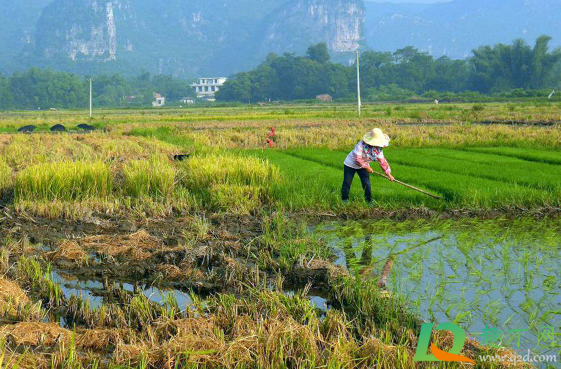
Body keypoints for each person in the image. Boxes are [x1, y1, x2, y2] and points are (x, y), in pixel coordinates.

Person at [342, 128, 395, 203]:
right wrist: (367, 167)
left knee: (366, 183)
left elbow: (382, 161)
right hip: (350, 164)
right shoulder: (361, 145)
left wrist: (389, 174)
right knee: (347, 182)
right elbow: (358, 159)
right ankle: (344, 200)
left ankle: (369, 201)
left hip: (363, 166)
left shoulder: (378, 149)